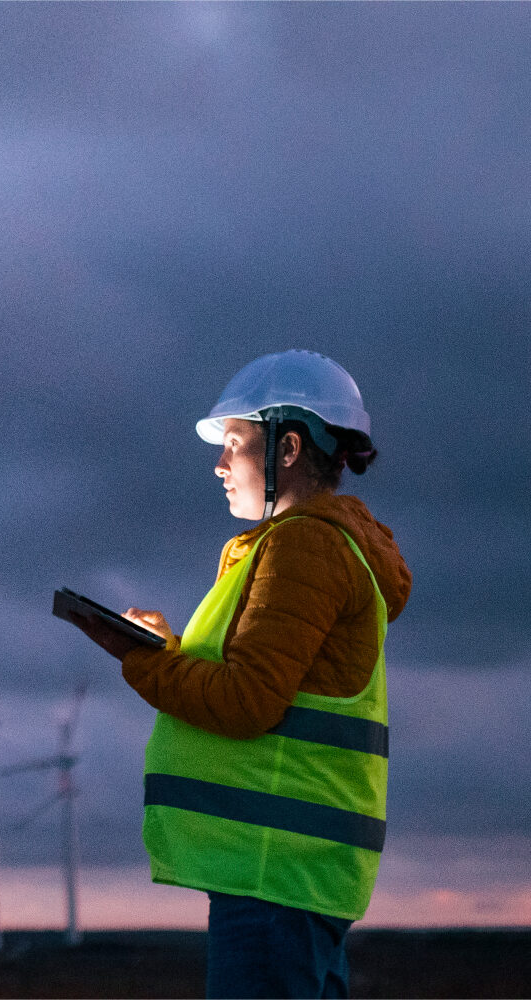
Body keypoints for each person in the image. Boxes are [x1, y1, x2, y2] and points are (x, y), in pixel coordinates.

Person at [71, 350, 412, 999]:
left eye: (234, 444)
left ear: (287, 447)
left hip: (274, 873)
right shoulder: (318, 547)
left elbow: (248, 700)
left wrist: (142, 659)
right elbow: (264, 680)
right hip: (292, 875)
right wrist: (169, 649)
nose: (221, 466)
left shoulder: (304, 546)